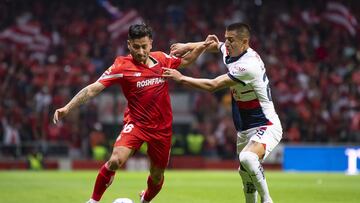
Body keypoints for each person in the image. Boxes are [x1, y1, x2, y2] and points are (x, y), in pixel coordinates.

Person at [53, 23, 211, 203]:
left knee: (157, 175)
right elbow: (93, 88)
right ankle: (93, 201)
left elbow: (186, 61)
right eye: (136, 47)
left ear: (151, 43)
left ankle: (145, 200)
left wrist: (202, 46)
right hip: (136, 124)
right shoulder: (121, 65)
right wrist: (67, 107)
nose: (141, 51)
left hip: (162, 129)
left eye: (144, 46)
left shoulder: (161, 59)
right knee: (115, 160)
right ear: (129, 44)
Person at [165, 22, 283, 203]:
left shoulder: (248, 65)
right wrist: (188, 45)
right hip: (244, 128)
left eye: (231, 40)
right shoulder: (232, 51)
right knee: (245, 175)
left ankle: (267, 200)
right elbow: (216, 45)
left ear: (245, 42)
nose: (226, 44)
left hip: (266, 124)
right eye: (226, 38)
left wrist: (181, 78)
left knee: (248, 158)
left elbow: (213, 85)